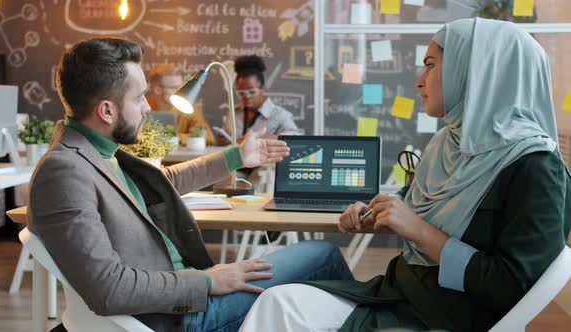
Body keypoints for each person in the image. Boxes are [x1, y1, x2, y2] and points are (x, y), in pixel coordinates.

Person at [240, 18, 571, 332]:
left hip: (445, 316)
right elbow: (414, 207)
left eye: (430, 64)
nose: (418, 80)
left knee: (280, 306)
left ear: (477, 70)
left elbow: (512, 286)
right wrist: (380, 212)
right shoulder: (447, 143)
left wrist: (418, 230)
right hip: (397, 293)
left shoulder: (537, 166)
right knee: (277, 301)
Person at [27, 38, 354, 332]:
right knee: (324, 255)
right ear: (107, 110)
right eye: (140, 97)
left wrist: (236, 156)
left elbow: (161, 183)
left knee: (313, 267)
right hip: (181, 318)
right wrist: (209, 281)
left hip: (187, 294)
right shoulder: (64, 174)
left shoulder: (97, 151)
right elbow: (110, 290)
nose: (148, 107)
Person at [215, 55, 300, 146]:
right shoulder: (233, 112)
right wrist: (222, 140)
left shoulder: (280, 115)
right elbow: (227, 140)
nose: (246, 97)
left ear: (263, 88)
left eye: (252, 92)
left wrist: (251, 139)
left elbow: (295, 138)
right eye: (241, 93)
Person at [147, 64, 216, 145]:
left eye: (181, 86)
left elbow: (209, 137)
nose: (181, 91)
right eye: (175, 88)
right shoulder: (144, 107)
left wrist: (177, 138)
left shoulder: (187, 107)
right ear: (157, 90)